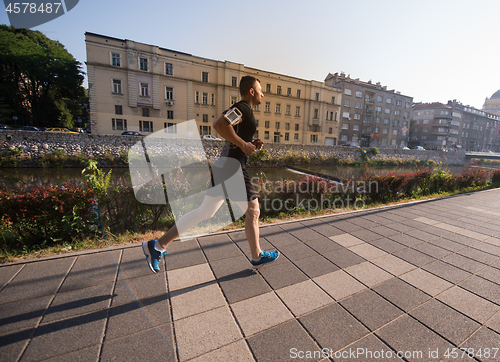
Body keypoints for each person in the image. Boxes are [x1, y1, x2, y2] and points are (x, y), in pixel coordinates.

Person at [142, 75, 279, 273]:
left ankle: (157, 245)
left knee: (205, 212)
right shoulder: (244, 108)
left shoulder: (242, 110)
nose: (263, 94)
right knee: (253, 210)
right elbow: (219, 124)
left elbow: (229, 130)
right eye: (260, 90)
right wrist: (243, 144)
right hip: (232, 167)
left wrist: (249, 143)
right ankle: (257, 255)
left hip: (225, 165)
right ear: (252, 91)